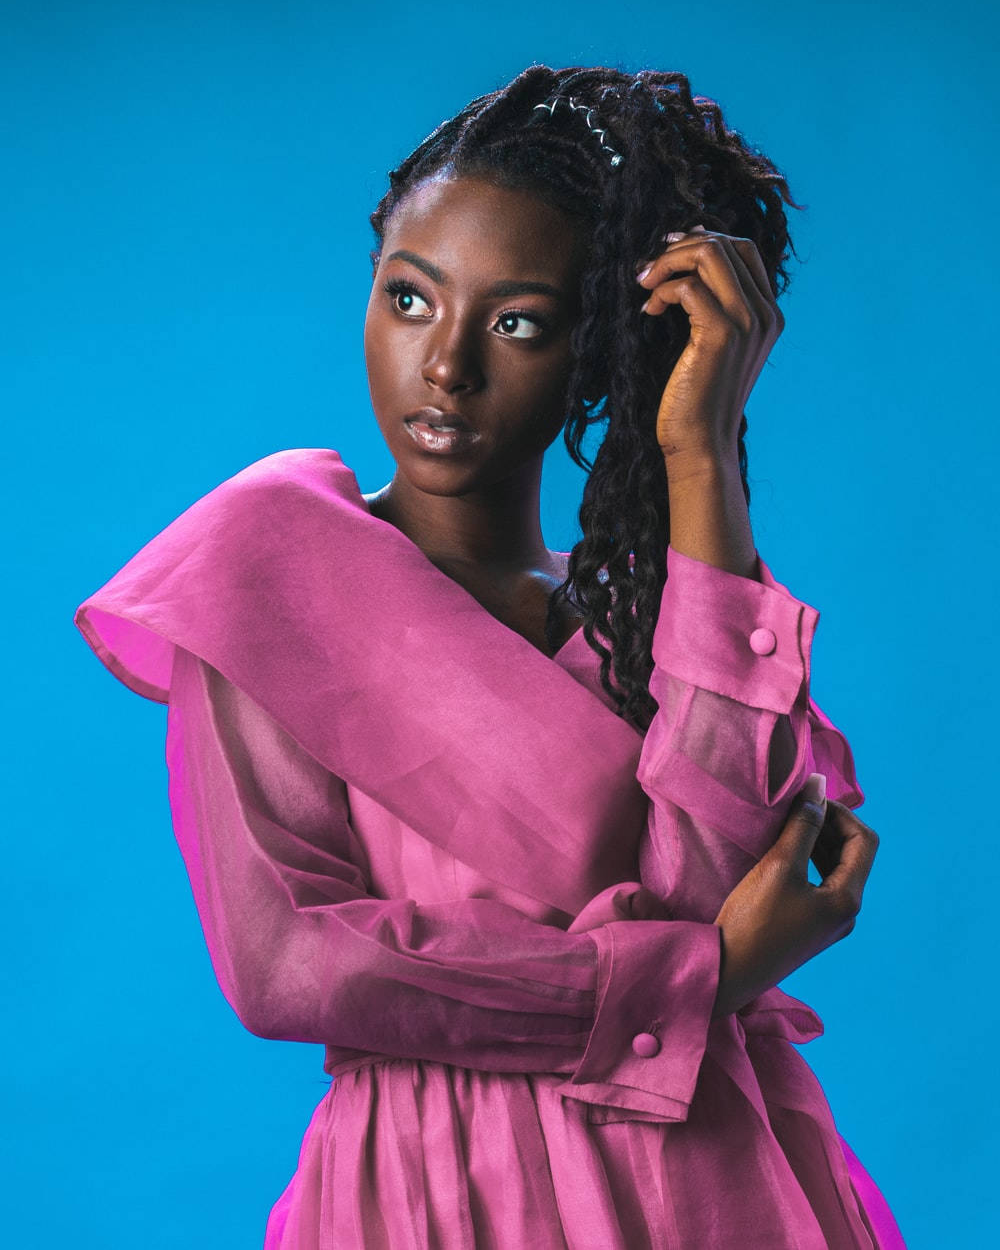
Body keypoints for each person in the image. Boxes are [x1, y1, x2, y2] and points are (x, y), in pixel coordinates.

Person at [74, 64, 907, 1248]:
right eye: (410, 299)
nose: (445, 365)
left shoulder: (665, 611)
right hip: (429, 1194)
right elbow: (290, 962)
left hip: (723, 1185)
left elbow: (724, 883)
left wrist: (701, 449)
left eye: (516, 322)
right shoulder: (271, 573)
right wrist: (690, 979)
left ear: (598, 351)